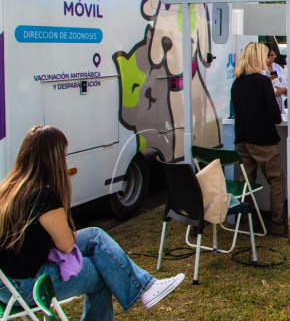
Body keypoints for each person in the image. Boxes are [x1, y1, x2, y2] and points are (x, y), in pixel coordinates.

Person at [0, 126, 184, 320]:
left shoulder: (11, 187)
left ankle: (146, 286)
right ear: (52, 159)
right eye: (64, 155)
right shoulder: (42, 196)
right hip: (25, 285)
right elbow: (66, 245)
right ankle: (144, 288)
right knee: (102, 274)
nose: (65, 161)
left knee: (95, 235)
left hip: (7, 281)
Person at [231, 42, 287, 237]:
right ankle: (277, 224)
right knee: (276, 180)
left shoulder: (237, 83)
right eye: (264, 55)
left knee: (246, 183)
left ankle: (248, 222)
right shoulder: (262, 82)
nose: (267, 60)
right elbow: (275, 115)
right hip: (263, 140)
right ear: (257, 58)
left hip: (242, 139)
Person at [262, 42, 288, 114]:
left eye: (272, 55)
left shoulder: (278, 68)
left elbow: (287, 84)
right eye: (268, 56)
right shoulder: (259, 69)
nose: (270, 59)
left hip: (279, 105)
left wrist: (284, 90)